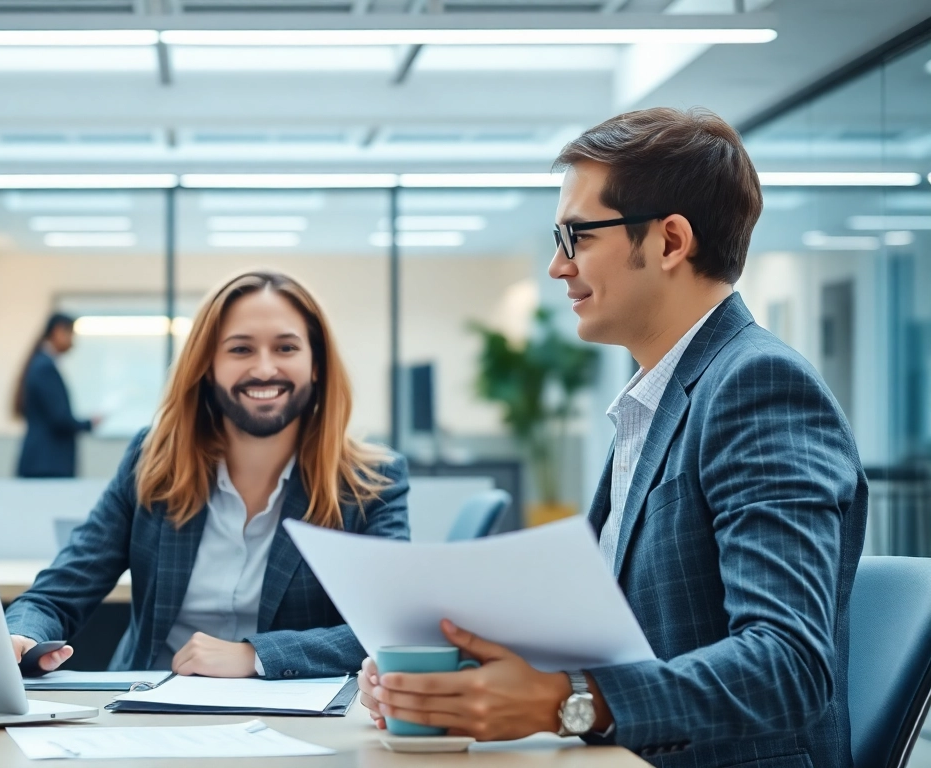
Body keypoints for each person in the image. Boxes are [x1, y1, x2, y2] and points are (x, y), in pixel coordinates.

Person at [358, 107, 867, 767]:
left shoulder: (757, 386)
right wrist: (451, 676)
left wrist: (564, 702)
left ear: (669, 242)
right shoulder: (657, 399)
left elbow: (787, 664)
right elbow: (628, 633)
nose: (556, 267)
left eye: (577, 237)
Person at [6, 270, 409, 678]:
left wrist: (256, 656)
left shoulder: (371, 482)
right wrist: (21, 635)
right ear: (207, 365)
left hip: (296, 726)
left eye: (286, 347)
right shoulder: (153, 461)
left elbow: (392, 628)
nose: (265, 368)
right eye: (240, 350)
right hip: (147, 718)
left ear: (317, 364)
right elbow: (56, 593)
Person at [14, 313, 98, 478]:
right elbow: (59, 418)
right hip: (47, 464)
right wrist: (89, 423)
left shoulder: (40, 364)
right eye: (71, 335)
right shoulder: (45, 368)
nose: (73, 342)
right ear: (58, 332)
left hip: (44, 463)